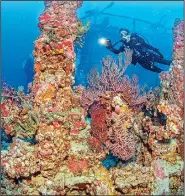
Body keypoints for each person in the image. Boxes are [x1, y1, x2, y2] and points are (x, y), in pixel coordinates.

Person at [105, 28, 171, 73]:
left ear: (129, 34)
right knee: (161, 72)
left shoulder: (137, 39)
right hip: (142, 62)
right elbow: (117, 52)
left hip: (150, 55)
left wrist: (158, 52)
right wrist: (110, 47)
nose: (123, 36)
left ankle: (179, 66)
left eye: (125, 33)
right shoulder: (124, 46)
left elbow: (147, 45)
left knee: (167, 62)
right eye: (121, 34)